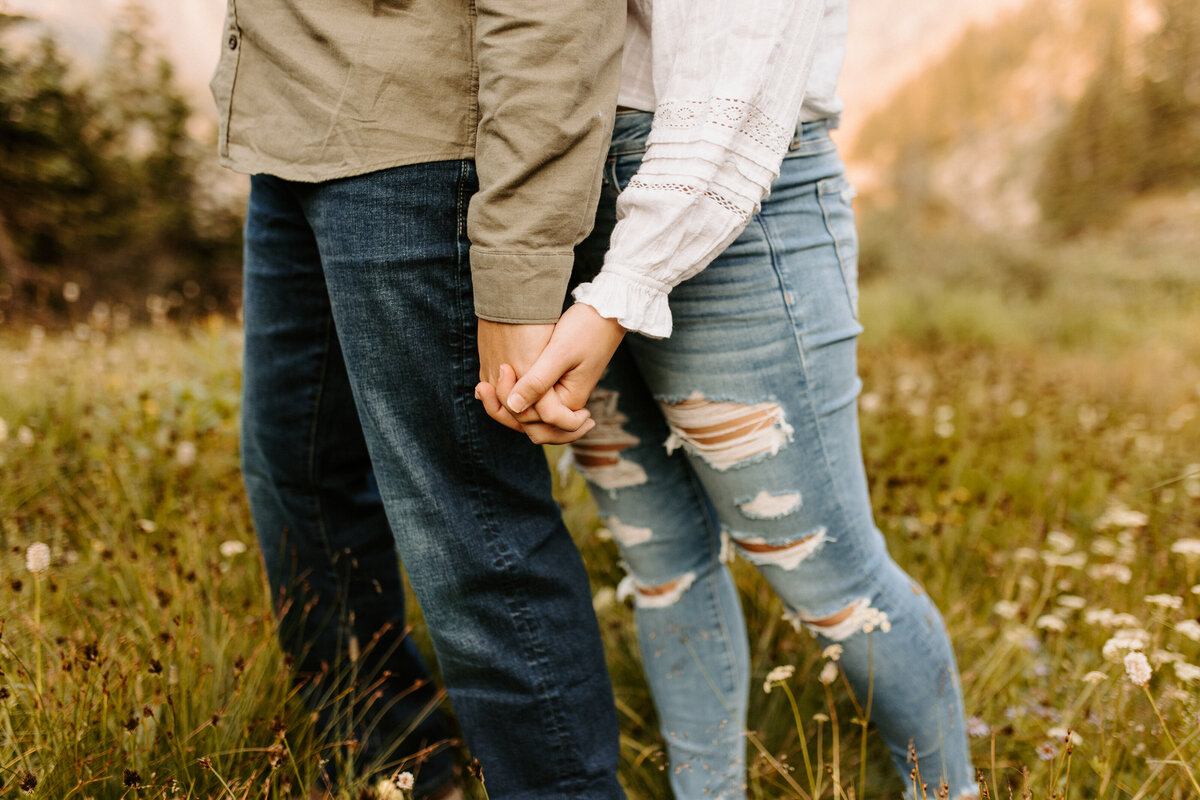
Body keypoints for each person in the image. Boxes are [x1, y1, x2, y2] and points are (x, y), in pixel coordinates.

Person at [476, 1, 978, 797]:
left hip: (731, 187)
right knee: (659, 560)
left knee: (829, 580)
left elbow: (741, 49)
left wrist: (622, 291)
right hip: (562, 190)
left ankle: (947, 789)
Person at [209, 1, 627, 798]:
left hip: (422, 148)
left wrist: (518, 268)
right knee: (298, 474)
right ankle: (400, 770)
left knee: (474, 533)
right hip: (290, 124)